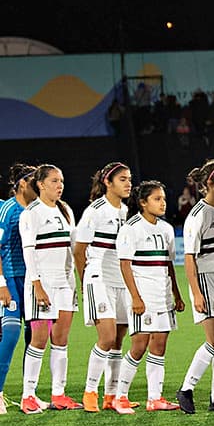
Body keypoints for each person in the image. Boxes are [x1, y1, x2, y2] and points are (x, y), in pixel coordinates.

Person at [111, 181, 184, 413]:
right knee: (139, 345)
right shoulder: (131, 228)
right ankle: (119, 396)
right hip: (143, 297)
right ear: (143, 202)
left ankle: (155, 398)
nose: (162, 203)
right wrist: (135, 297)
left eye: (163, 198)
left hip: (163, 296)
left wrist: (176, 293)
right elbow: (125, 265)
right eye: (156, 199)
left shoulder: (166, 229)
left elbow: (168, 263)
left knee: (159, 346)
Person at [175, 160, 214, 414]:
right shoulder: (198, 215)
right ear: (211, 182)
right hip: (205, 279)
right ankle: (186, 388)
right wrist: (196, 292)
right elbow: (189, 258)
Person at [18, 165, 80, 414]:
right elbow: (28, 251)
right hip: (42, 284)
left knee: (61, 340)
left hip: (65, 284)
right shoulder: (31, 213)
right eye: (54, 181)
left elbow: (72, 249)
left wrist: (75, 281)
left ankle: (58, 394)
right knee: (39, 340)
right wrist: (37, 286)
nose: (59, 185)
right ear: (41, 184)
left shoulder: (66, 210)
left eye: (61, 181)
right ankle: (28, 396)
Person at [73, 162, 132, 413]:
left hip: (121, 279)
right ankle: (90, 391)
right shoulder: (94, 211)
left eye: (129, 179)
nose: (128, 183)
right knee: (106, 337)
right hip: (99, 278)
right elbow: (79, 251)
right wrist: (85, 283)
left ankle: (111, 395)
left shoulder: (127, 211)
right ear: (108, 182)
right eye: (122, 179)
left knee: (118, 339)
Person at [0, 164, 38, 412]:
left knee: (34, 336)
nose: (39, 186)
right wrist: (1, 284)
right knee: (11, 332)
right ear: (22, 184)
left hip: (32, 280)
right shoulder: (7, 210)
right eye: (34, 181)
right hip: (10, 280)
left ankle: (28, 394)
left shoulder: (37, 210)